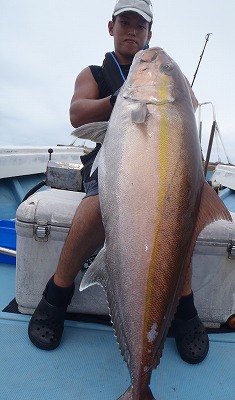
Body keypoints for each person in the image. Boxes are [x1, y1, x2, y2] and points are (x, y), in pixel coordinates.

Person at [28, 0, 209, 364]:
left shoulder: (164, 71)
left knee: (179, 213)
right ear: (110, 27)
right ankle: (57, 292)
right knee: (96, 209)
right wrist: (120, 98)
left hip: (160, 166)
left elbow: (189, 107)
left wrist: (170, 86)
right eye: (124, 23)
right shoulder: (95, 74)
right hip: (111, 164)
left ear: (149, 34)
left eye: (139, 26)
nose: (132, 31)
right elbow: (77, 113)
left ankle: (183, 304)